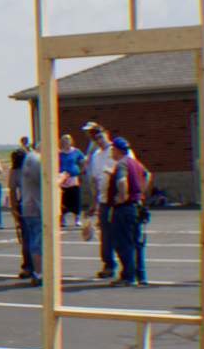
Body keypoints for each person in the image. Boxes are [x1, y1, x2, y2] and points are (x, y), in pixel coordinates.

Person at [105, 136, 151, 286]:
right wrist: (140, 193)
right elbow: (148, 175)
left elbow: (121, 180)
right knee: (136, 243)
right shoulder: (135, 163)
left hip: (124, 208)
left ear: (117, 150)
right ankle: (140, 275)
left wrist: (123, 197)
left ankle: (128, 275)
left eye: (112, 149)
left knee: (123, 243)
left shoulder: (121, 164)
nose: (111, 151)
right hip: (137, 206)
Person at [83, 122, 117, 279]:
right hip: (103, 201)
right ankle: (108, 265)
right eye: (95, 139)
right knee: (105, 236)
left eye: (100, 136)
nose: (99, 140)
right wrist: (94, 204)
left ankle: (131, 269)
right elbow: (96, 181)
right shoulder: (96, 156)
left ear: (106, 133)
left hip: (120, 200)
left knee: (123, 235)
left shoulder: (117, 150)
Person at [20, 146, 43, 286]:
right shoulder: (38, 160)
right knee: (38, 242)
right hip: (37, 207)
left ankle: (32, 269)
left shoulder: (28, 158)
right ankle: (39, 273)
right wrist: (61, 178)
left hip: (28, 205)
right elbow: (45, 183)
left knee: (32, 240)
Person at [9, 149, 32, 279]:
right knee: (27, 238)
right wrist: (13, 209)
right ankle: (28, 265)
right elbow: (12, 190)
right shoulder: (14, 171)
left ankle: (36, 265)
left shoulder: (31, 168)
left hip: (34, 204)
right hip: (23, 206)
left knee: (33, 238)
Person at [58, 134, 86, 228]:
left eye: (68, 140)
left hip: (73, 179)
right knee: (62, 199)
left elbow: (83, 161)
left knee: (75, 198)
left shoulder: (76, 151)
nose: (66, 142)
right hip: (62, 179)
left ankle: (77, 219)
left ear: (71, 141)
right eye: (64, 140)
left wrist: (81, 170)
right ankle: (62, 219)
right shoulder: (59, 153)